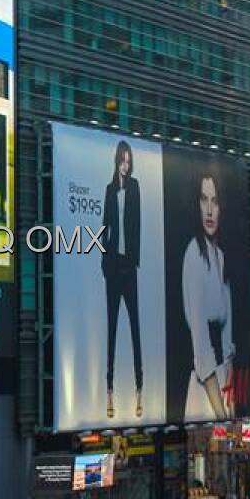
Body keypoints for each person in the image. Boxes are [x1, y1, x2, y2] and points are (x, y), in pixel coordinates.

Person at [181, 168, 235, 420]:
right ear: (196, 204)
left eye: (215, 201)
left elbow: (228, 343)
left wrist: (232, 408)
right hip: (205, 393)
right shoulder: (193, 254)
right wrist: (224, 416)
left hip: (224, 389)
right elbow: (201, 345)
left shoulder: (222, 257)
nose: (210, 210)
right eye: (204, 200)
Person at [101, 162, 142, 423]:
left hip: (129, 266)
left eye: (129, 161)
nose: (125, 166)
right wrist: (104, 261)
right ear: (117, 161)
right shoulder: (109, 189)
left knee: (135, 328)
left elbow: (137, 224)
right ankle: (109, 390)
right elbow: (105, 226)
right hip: (113, 265)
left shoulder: (135, 187)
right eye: (122, 161)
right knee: (112, 329)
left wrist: (135, 259)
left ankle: (140, 388)